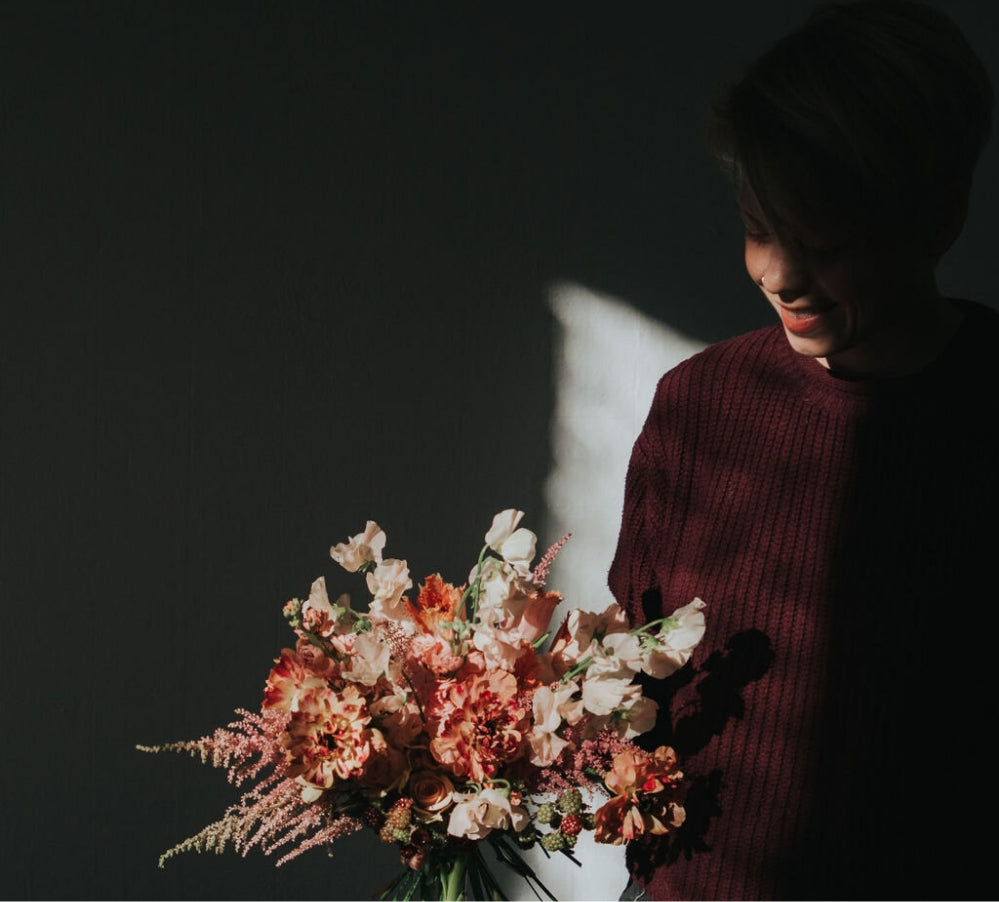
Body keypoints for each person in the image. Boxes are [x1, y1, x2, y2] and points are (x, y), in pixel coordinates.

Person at [608, 1, 998, 898]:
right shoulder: (697, 406)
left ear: (938, 218)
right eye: (757, 225)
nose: (779, 275)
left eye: (822, 239)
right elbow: (635, 684)